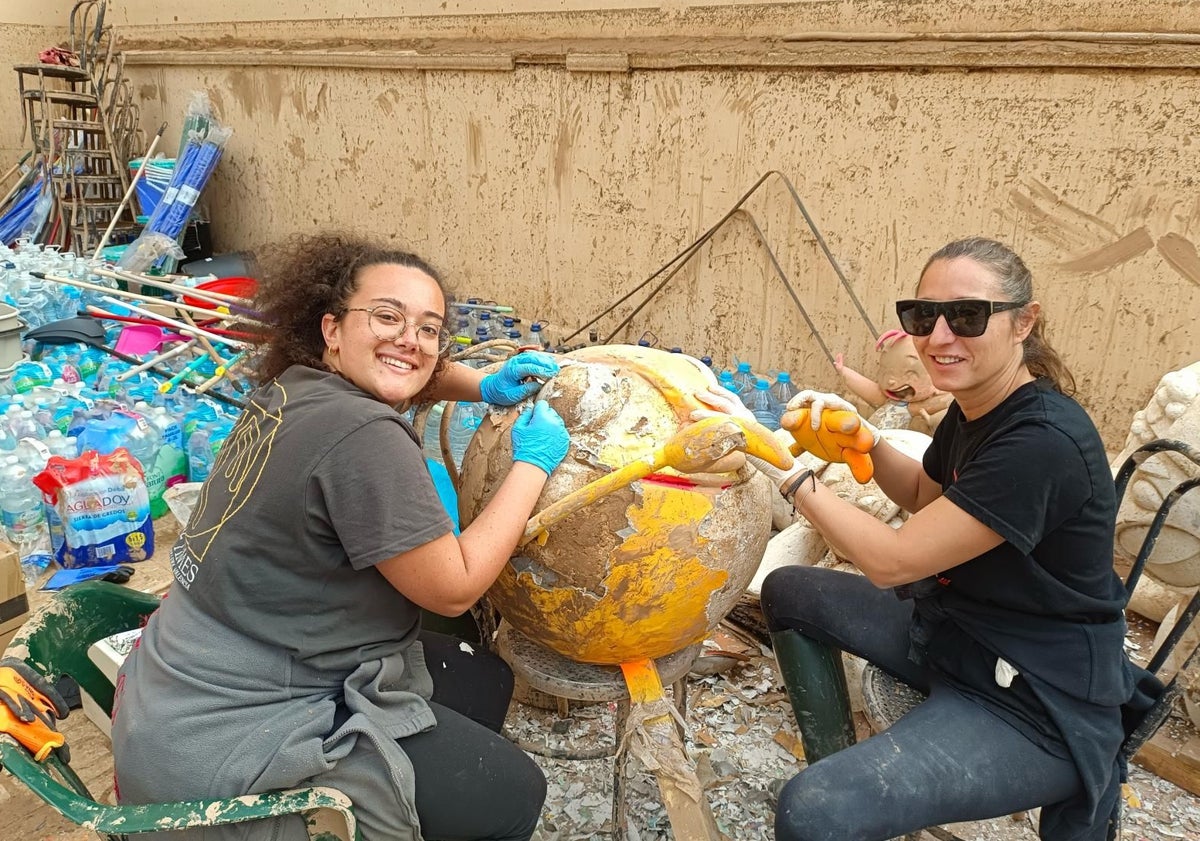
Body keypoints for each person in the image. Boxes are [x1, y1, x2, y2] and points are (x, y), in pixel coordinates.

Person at [111, 232, 571, 841]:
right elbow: (456, 589)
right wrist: (533, 465)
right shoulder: (365, 438)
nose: (410, 338)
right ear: (331, 329)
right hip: (227, 738)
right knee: (514, 794)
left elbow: (398, 366)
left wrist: (481, 384)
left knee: (481, 677)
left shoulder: (292, 387)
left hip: (170, 692)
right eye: (388, 316)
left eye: (429, 329)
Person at [698, 237, 1147, 841]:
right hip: (959, 633)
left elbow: (892, 560)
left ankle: (843, 805)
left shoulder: (1042, 441)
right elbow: (923, 496)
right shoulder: (975, 407)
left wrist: (780, 465)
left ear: (1024, 322)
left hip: (1036, 696)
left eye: (967, 315)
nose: (939, 337)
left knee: (814, 811)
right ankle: (844, 771)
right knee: (789, 590)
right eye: (922, 316)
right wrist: (864, 439)